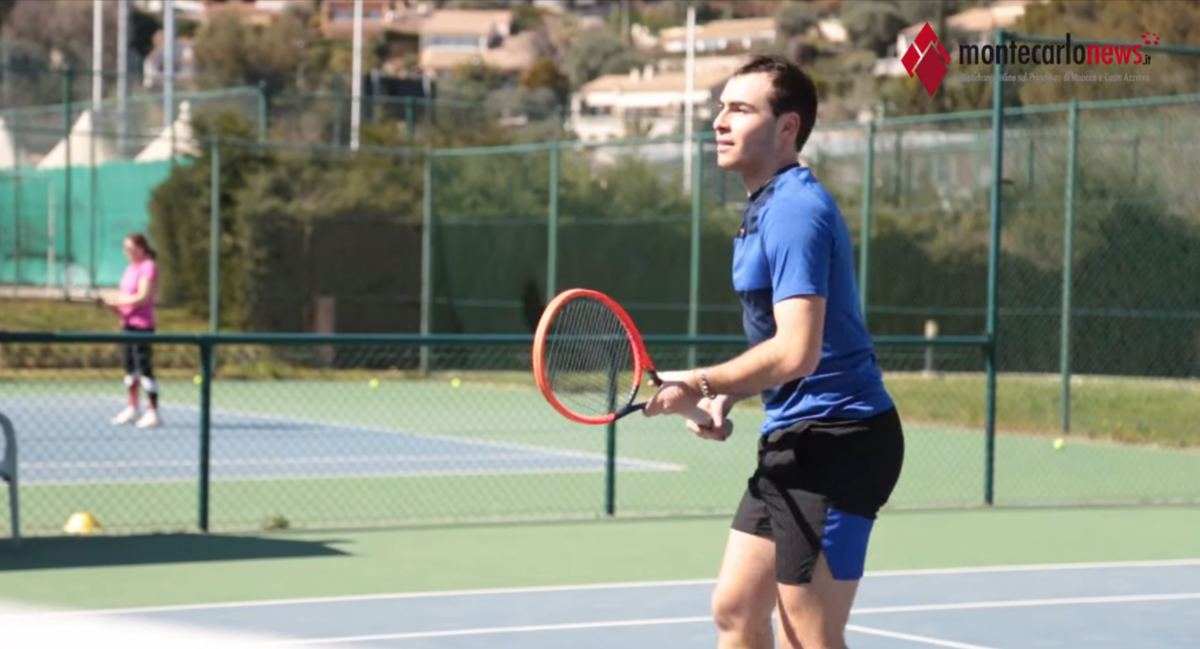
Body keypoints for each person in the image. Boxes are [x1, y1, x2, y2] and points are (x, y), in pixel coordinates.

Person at [643, 54, 905, 649]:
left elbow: (797, 353)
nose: (719, 121)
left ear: (787, 127)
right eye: (721, 108)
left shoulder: (793, 211)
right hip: (794, 438)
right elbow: (781, 347)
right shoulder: (766, 205)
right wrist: (728, 396)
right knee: (737, 611)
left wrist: (703, 382)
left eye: (740, 109)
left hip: (838, 442)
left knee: (806, 636)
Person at [103, 233, 162, 429]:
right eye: (125, 249)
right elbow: (125, 297)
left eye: (131, 248)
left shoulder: (148, 267)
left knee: (144, 368)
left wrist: (118, 302)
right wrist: (114, 306)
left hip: (143, 326)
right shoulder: (130, 269)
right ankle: (133, 407)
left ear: (141, 248)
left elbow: (143, 297)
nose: (127, 252)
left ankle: (153, 412)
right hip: (127, 325)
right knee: (130, 369)